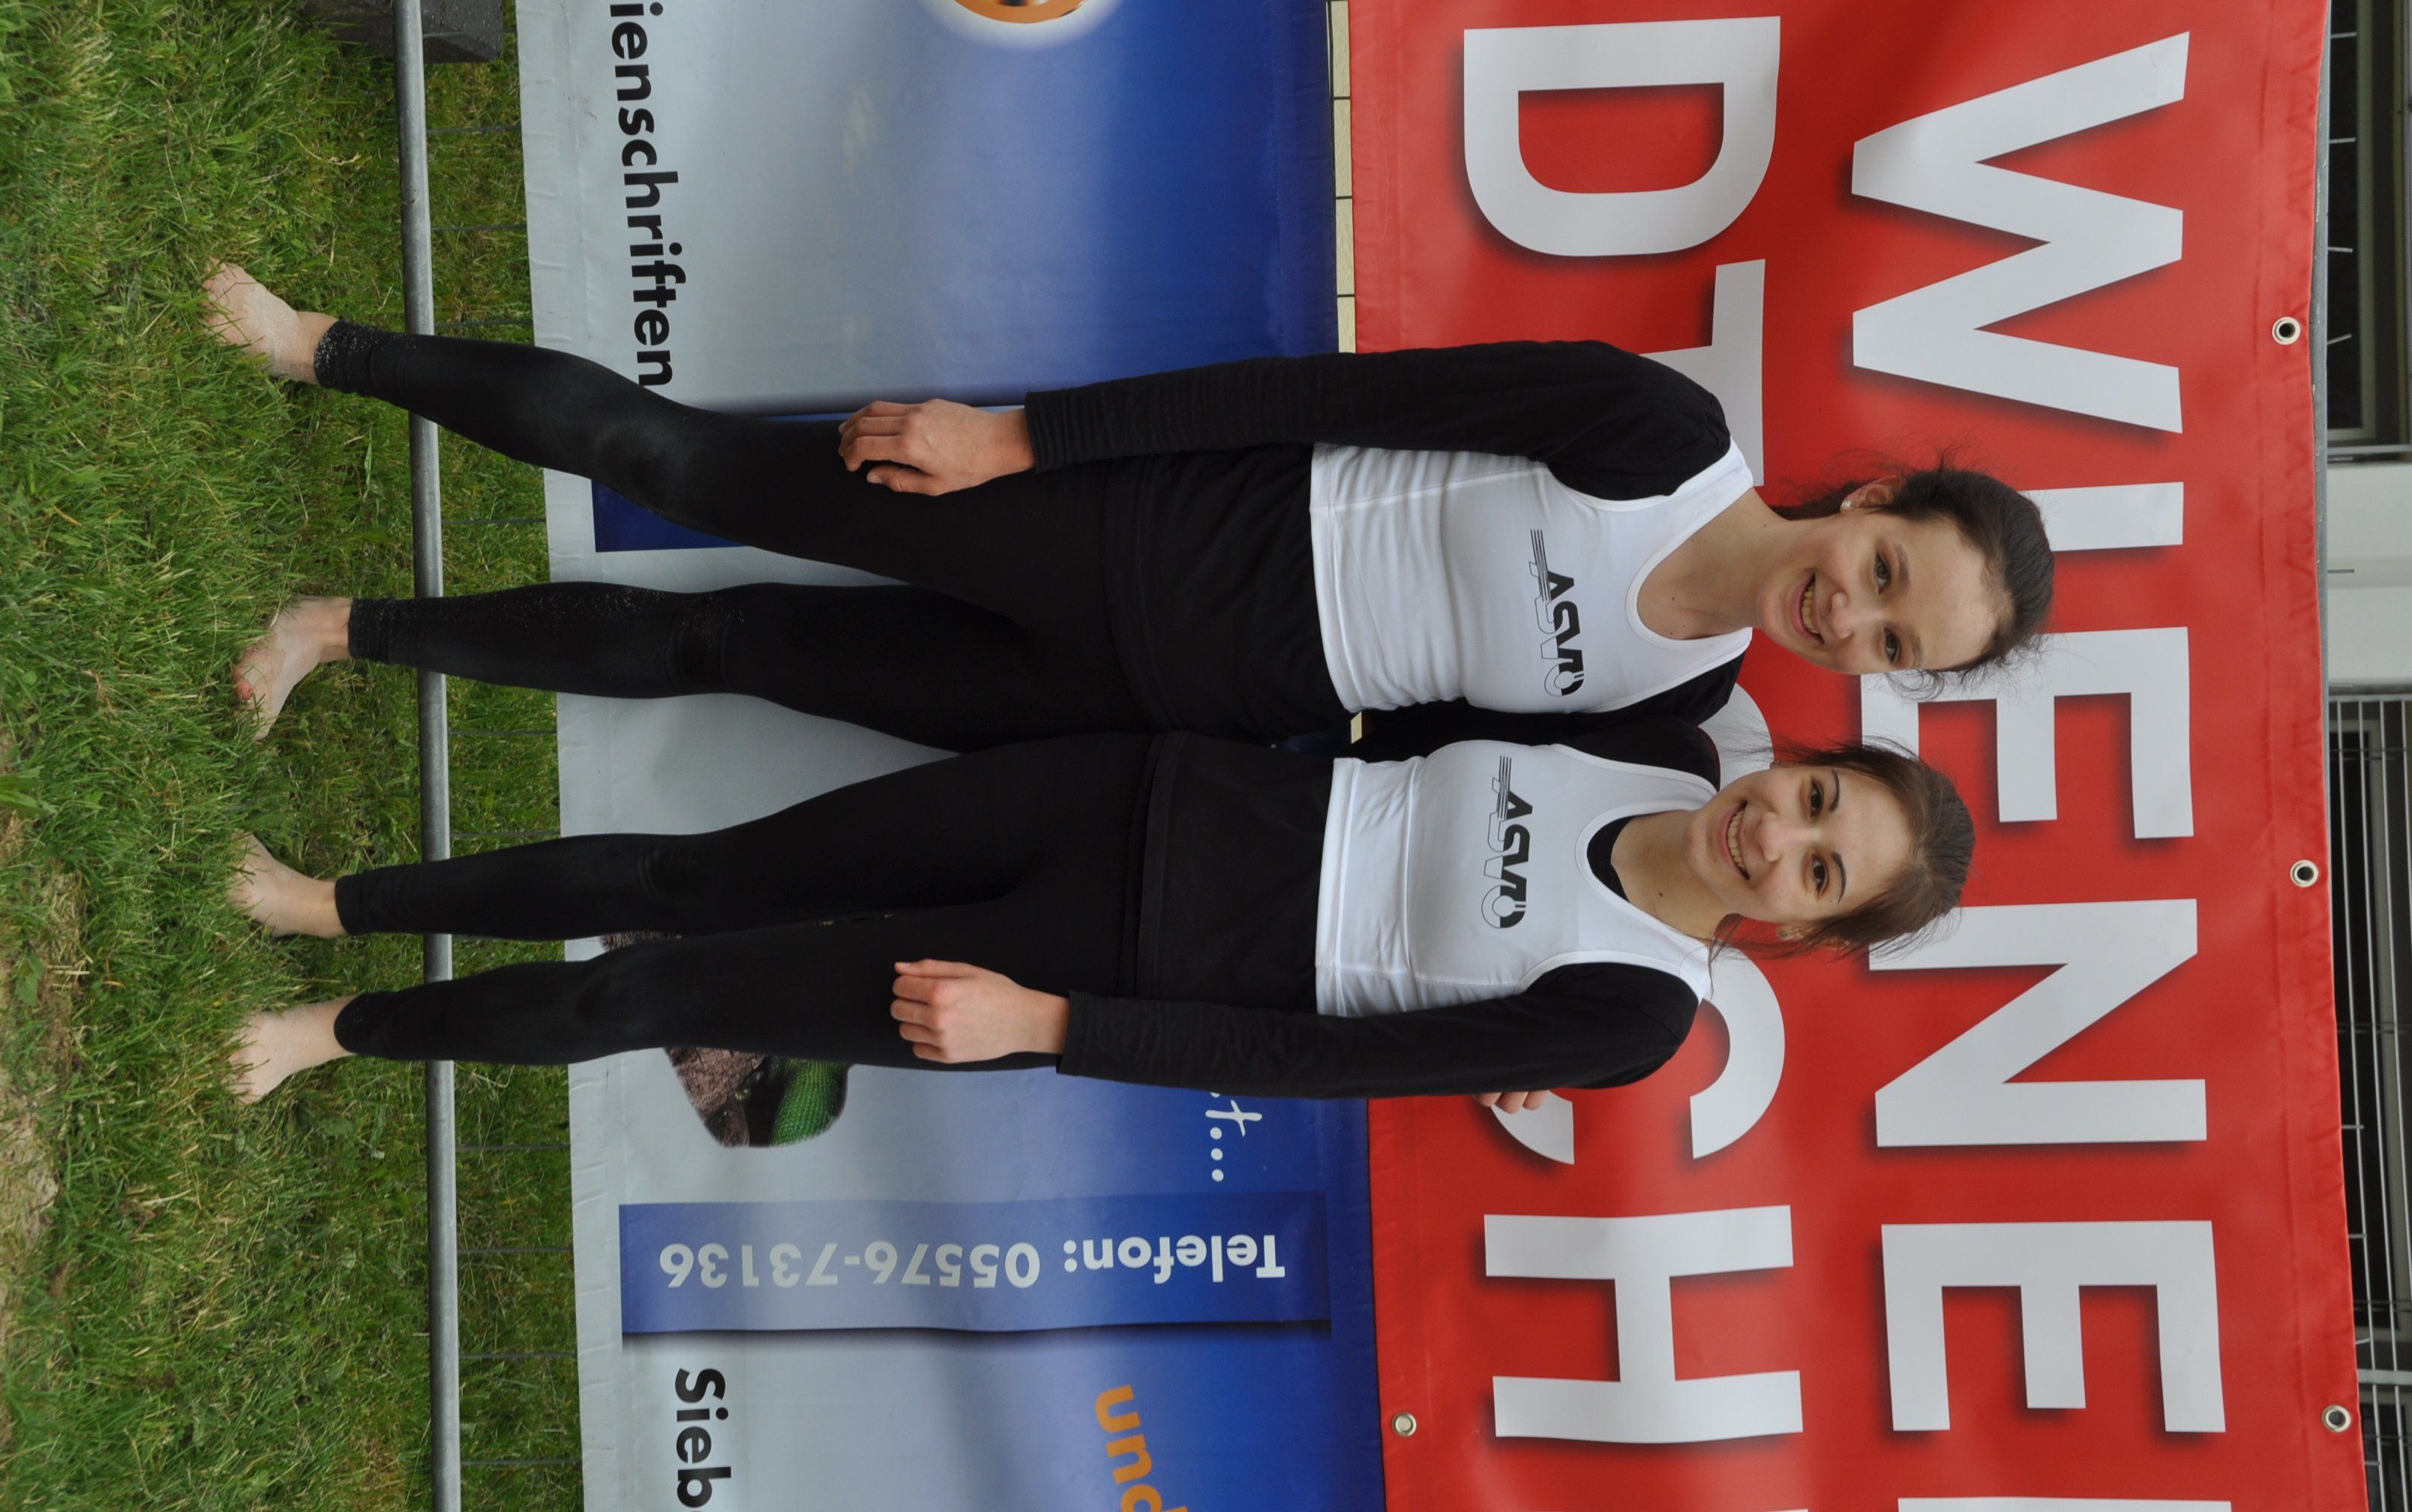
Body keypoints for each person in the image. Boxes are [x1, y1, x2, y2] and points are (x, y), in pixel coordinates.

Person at [204, 267, 2054, 758]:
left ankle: (340, 634)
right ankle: (322, 347)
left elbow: (1432, 764)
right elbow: (1324, 395)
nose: (1851, 615)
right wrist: (1025, 440)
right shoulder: (1661, 428)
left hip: (1138, 697)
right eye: (1888, 569)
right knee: (685, 467)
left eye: (1896, 643)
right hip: (1125, 527)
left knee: (725, 650)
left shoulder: (1680, 706)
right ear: (1875, 497)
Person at [227, 722, 1973, 1106]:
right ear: (1800, 760)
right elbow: (1392, 715)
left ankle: (336, 1034)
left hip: (1088, 969)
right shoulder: (1661, 737)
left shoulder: (1637, 1014)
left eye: (1822, 873)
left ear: (1807, 932)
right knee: (685, 877)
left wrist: (1047, 1028)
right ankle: (332, 904)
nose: (1779, 839)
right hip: (1120, 797)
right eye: (1820, 799)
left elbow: (1312, 1066)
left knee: (666, 991)